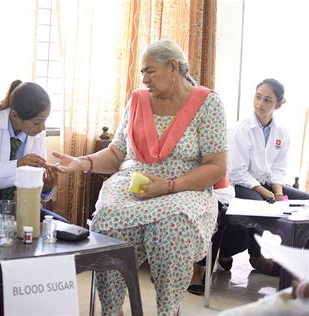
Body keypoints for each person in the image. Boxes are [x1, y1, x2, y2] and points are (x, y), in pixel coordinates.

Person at [51, 39, 228, 316]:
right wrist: (81, 163)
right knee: (108, 221)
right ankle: (113, 310)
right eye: (142, 73)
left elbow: (216, 166)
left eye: (149, 71)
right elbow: (116, 153)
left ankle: (168, 311)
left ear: (173, 67)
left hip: (184, 190)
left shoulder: (208, 104)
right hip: (132, 188)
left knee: (172, 230)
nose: (144, 79)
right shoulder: (137, 101)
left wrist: (169, 186)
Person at [219, 79, 309, 276]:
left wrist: (277, 191)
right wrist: (266, 193)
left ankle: (299, 264)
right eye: (258, 97)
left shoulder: (282, 132)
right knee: (260, 204)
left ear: (279, 104)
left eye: (267, 100)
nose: (260, 104)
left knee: (307, 202)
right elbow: (238, 172)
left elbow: (278, 168)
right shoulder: (239, 130)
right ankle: (256, 256)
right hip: (242, 183)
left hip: (268, 183)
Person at [0, 80, 68, 223]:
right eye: (37, 122)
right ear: (15, 115)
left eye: (44, 121)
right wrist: (17, 165)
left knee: (63, 226)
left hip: (23, 206)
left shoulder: (37, 134)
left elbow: (34, 188)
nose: (42, 128)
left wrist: (46, 186)